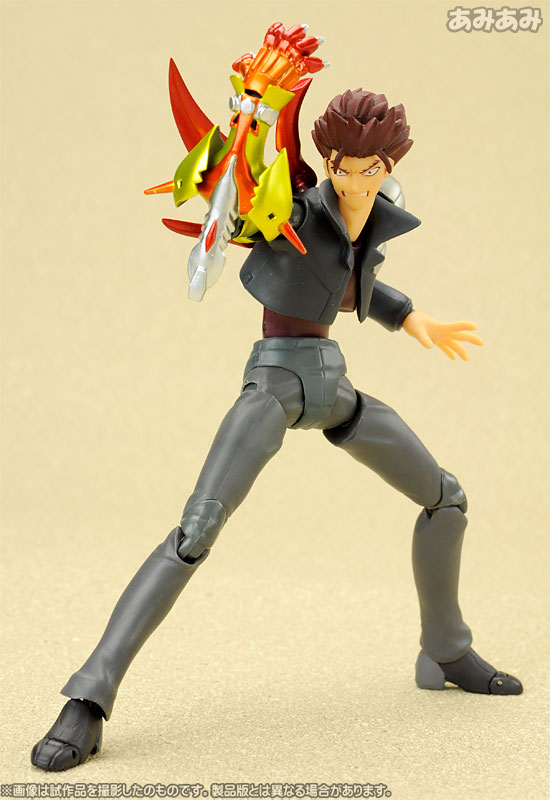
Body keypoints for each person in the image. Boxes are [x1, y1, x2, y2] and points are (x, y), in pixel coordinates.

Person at [31, 82, 522, 773]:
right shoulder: (290, 211)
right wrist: (249, 124)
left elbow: (355, 285)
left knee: (447, 498)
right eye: (343, 168)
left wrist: (415, 319)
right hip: (274, 384)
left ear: (389, 167)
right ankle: (88, 697)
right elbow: (248, 205)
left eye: (371, 169)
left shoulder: (370, 222)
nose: (355, 181)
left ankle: (445, 650)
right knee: (196, 530)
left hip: (334, 387)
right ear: (328, 163)